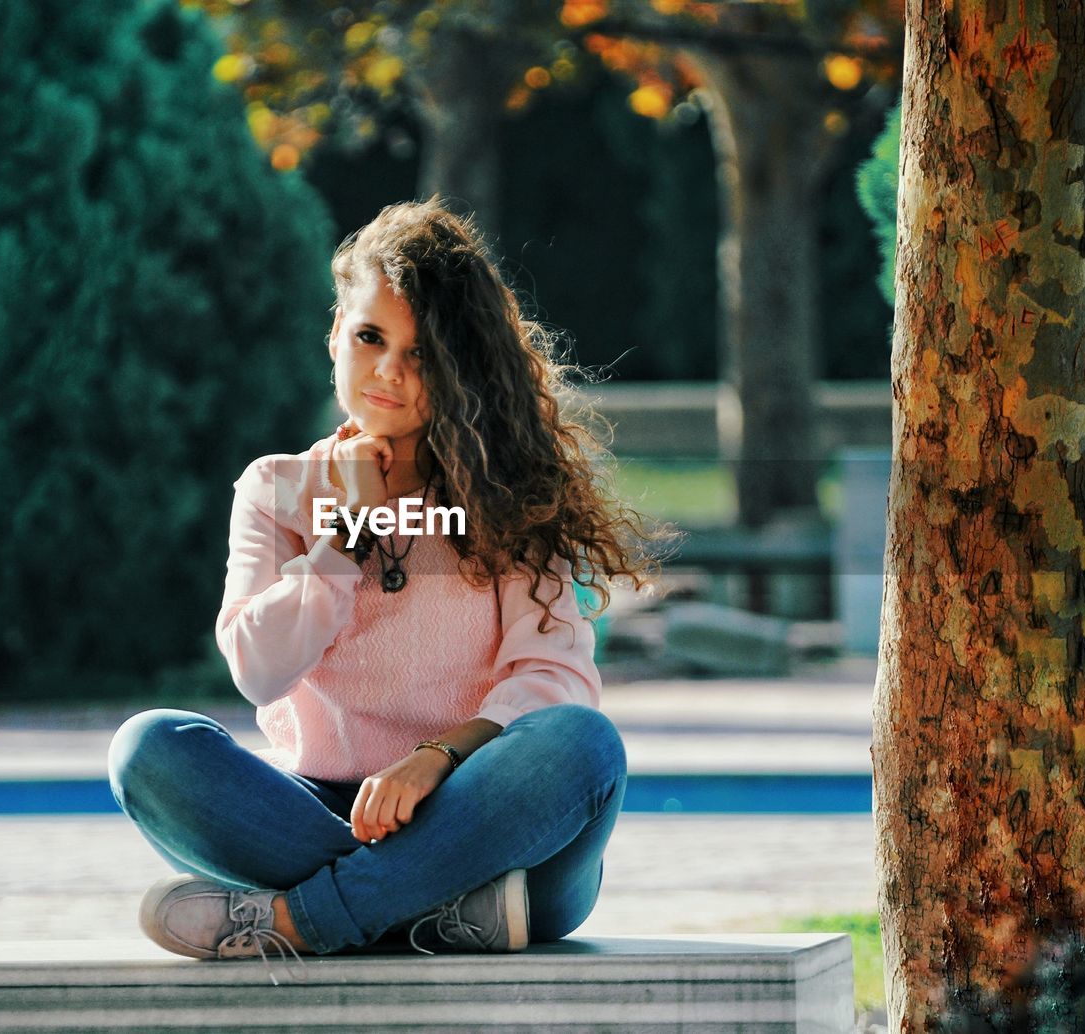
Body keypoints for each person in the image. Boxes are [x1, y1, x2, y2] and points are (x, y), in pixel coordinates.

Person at [107, 196, 670, 984]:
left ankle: (303, 920)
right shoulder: (276, 489)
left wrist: (435, 760)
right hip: (312, 819)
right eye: (371, 337)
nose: (389, 373)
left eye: (424, 353)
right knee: (149, 748)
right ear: (336, 332)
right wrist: (346, 537)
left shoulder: (515, 493)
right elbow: (258, 668)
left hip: (488, 823)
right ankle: (430, 913)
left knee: (583, 745)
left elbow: (554, 680)